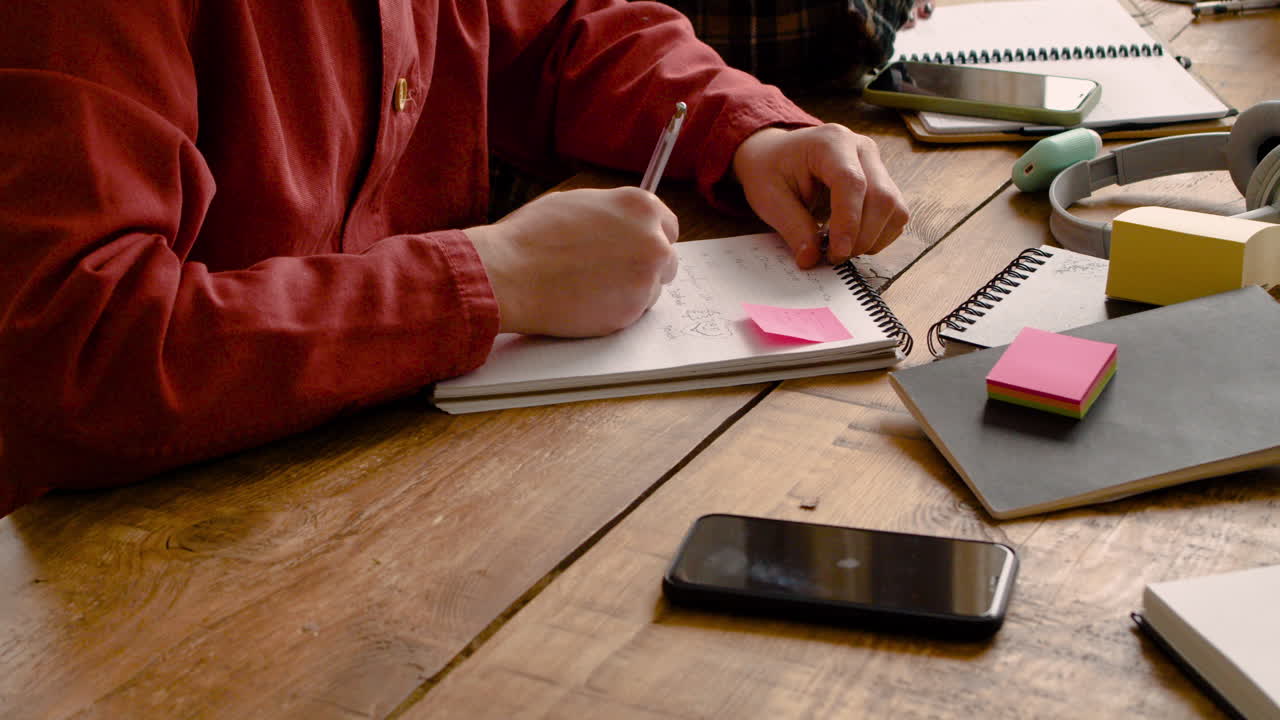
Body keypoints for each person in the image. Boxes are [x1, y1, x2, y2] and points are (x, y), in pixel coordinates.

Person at [0, 1, 909, 517]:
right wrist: (487, 277)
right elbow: (73, 354)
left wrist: (742, 129)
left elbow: (566, 33)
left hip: (393, 492)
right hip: (122, 565)